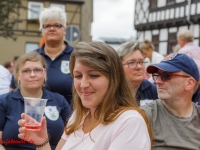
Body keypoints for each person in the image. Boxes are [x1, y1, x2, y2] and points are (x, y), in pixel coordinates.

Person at [18, 41, 152, 150]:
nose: (83, 84)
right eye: (78, 76)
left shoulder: (129, 122)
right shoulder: (79, 116)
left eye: (93, 75)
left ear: (114, 78)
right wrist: (42, 142)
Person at [0, 52, 72, 150]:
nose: (32, 75)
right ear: (18, 75)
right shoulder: (4, 101)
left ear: (45, 73)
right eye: (26, 71)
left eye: (37, 70)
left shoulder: (59, 101)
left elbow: (72, 136)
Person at [9, 7, 74, 105]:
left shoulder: (76, 56)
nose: (52, 28)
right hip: (32, 116)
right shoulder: (30, 58)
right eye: (47, 26)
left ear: (64, 30)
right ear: (42, 30)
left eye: (57, 25)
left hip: (70, 117)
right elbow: (13, 90)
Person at [141, 53, 200, 149]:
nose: (157, 81)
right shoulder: (144, 116)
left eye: (165, 76)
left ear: (189, 83)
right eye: (157, 75)